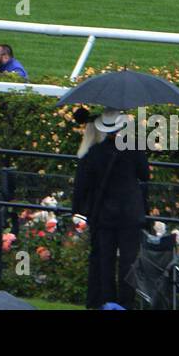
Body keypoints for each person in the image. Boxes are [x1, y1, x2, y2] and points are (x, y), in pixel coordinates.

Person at [72, 109, 150, 309]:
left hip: (105, 214)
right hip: (129, 214)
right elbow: (144, 175)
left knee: (105, 261)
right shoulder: (133, 148)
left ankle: (108, 301)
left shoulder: (95, 152)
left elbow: (86, 182)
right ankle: (126, 303)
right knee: (128, 262)